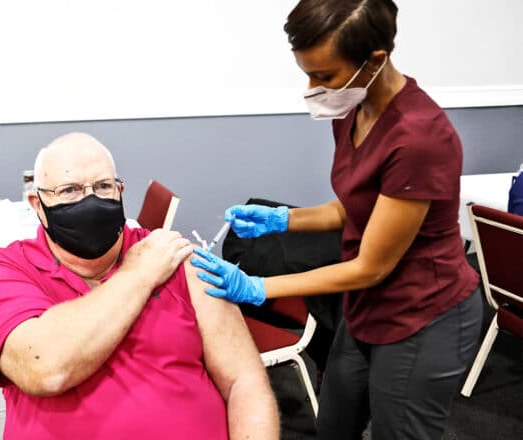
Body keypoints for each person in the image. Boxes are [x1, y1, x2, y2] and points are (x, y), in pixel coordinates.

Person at [191, 1, 482, 439]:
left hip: (423, 314)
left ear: (374, 61)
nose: (312, 87)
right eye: (307, 73)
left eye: (324, 76)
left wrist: (257, 287)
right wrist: (281, 220)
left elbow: (371, 266)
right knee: (334, 425)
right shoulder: (354, 112)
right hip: (367, 308)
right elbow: (351, 207)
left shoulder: (419, 138)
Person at [0, 132, 280, 439]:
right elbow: (45, 369)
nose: (90, 200)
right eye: (69, 190)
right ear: (37, 204)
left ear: (120, 191)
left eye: (103, 186)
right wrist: (140, 272)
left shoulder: (173, 256)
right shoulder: (8, 269)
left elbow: (245, 381)